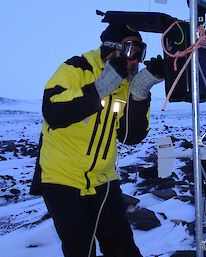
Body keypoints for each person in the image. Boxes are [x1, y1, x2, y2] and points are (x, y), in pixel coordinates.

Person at [30, 23, 164, 257]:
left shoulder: (124, 85)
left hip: (103, 179)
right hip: (62, 179)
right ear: (113, 48)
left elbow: (130, 136)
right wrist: (102, 86)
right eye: (133, 51)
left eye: (141, 53)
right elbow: (53, 110)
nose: (137, 60)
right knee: (81, 249)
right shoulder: (76, 68)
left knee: (122, 247)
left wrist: (140, 91)